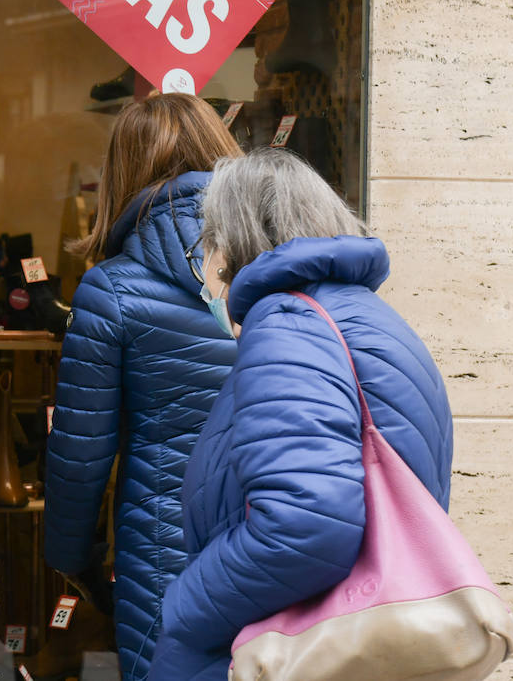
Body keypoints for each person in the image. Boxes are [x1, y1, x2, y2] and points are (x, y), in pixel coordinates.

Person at [148, 149, 454, 680]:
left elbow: (304, 524)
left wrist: (186, 609)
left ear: (233, 245)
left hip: (279, 650)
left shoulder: (288, 320)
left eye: (206, 244)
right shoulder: (366, 318)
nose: (203, 270)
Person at [44, 93, 244, 681]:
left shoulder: (113, 290)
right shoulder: (278, 263)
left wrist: (72, 559)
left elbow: (81, 453)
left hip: (166, 554)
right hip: (277, 538)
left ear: (122, 173)